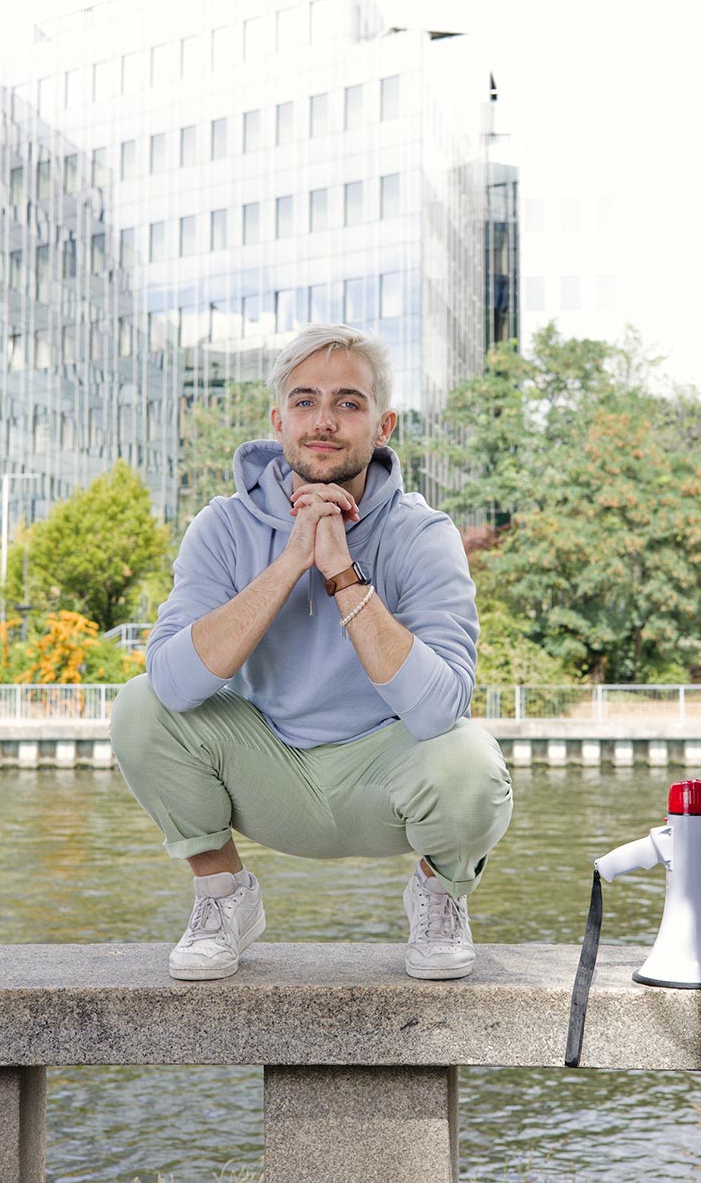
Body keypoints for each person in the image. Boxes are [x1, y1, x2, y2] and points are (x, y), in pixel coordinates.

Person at [110, 323, 513, 981]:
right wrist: (292, 558)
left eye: (348, 403)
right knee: (139, 706)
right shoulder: (221, 526)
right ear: (279, 420)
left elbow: (442, 710)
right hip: (265, 774)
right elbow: (175, 686)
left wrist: (341, 573)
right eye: (305, 402)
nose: (323, 421)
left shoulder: (424, 535)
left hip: (386, 777)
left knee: (471, 763)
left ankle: (440, 896)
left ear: (384, 426)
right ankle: (223, 899)